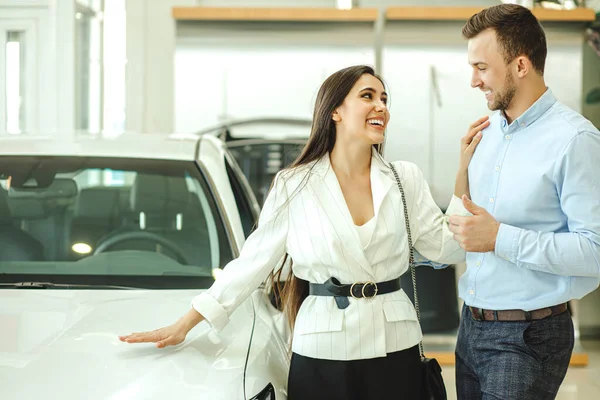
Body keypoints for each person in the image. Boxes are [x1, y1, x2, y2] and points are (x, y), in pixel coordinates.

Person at [119, 65, 486, 399]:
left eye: (385, 99)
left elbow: (445, 248)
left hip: (396, 343)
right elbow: (252, 264)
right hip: (323, 349)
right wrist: (186, 322)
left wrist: (462, 174)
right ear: (335, 111)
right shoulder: (295, 184)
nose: (381, 107)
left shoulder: (403, 178)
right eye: (368, 96)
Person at [447, 4, 600, 400]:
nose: (473, 81)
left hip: (527, 336)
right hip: (471, 328)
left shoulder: (575, 141)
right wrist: (462, 171)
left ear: (520, 65)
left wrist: (500, 238)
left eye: (481, 67)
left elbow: (595, 250)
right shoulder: (485, 134)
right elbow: (469, 230)